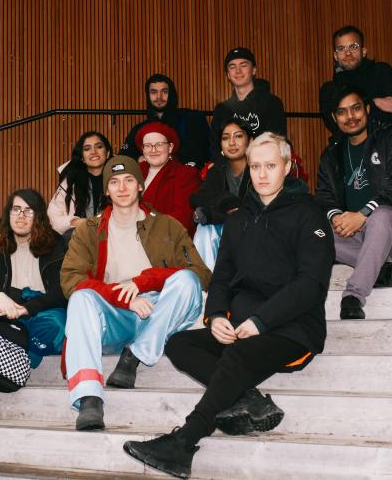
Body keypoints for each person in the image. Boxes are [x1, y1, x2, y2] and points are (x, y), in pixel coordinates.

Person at [123, 133, 335, 479]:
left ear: (287, 167)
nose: (262, 174)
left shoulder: (308, 214)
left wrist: (261, 321)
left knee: (237, 354)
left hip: (292, 327)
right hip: (243, 325)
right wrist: (217, 315)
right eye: (255, 167)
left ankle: (185, 442)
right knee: (178, 343)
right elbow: (221, 278)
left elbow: (311, 285)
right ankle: (249, 399)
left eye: (270, 165)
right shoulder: (239, 217)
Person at [61, 155, 211, 432]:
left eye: (129, 180)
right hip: (116, 313)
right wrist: (124, 297)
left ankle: (135, 355)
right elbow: (71, 280)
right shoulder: (89, 231)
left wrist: (145, 282)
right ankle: (89, 397)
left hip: (160, 312)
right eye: (114, 182)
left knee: (187, 280)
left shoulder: (168, 225)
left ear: (140, 185)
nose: (122, 188)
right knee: (81, 298)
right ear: (106, 190)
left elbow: (202, 275)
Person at [315, 85, 392, 320]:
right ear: (335, 118)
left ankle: (353, 295)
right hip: (354, 234)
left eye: (356, 108)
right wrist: (336, 217)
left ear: (367, 109)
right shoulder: (331, 154)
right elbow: (324, 197)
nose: (351, 117)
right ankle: (380, 269)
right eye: (343, 112)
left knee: (381, 216)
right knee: (312, 231)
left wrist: (363, 213)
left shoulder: (390, 138)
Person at [0, 189, 68, 422]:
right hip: (4, 311)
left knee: (59, 321)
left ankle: (23, 358)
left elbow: (62, 292)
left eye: (29, 210)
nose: (21, 216)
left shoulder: (56, 244)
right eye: (16, 209)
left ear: (38, 216)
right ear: (8, 214)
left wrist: (28, 308)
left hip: (39, 311)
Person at [191, 119, 309, 270]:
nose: (231, 142)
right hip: (228, 231)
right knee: (204, 229)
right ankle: (206, 284)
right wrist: (227, 202)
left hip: (258, 231)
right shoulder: (216, 170)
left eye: (238, 136)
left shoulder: (260, 167)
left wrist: (215, 212)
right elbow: (198, 198)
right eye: (226, 138)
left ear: (250, 141)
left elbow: (253, 208)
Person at [319, 25, 392, 135]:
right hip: (349, 148)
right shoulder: (330, 89)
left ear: (363, 51)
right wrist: (375, 102)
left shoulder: (382, 72)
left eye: (353, 47)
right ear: (336, 56)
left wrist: (351, 113)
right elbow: (335, 125)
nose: (348, 53)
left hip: (386, 145)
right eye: (341, 49)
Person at [120, 73, 211, 168]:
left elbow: (204, 152)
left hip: (187, 177)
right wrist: (140, 159)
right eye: (153, 92)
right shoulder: (140, 129)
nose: (159, 97)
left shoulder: (192, 119)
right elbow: (123, 157)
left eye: (164, 91)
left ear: (171, 94)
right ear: (148, 96)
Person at [210, 47, 286, 157]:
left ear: (254, 70)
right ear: (228, 75)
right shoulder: (222, 109)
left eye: (243, 65)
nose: (238, 71)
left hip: (263, 167)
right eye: (232, 66)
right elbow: (215, 147)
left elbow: (277, 143)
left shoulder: (271, 103)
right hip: (229, 170)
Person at [136, 122, 201, 237]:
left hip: (166, 242)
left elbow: (183, 218)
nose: (153, 150)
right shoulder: (134, 172)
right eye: (148, 145)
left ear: (170, 147)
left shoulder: (185, 174)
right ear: (143, 149)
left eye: (159, 144)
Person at [48, 131, 113, 236]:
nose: (93, 152)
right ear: (82, 157)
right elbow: (52, 216)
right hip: (77, 239)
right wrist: (75, 222)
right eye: (87, 149)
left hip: (111, 238)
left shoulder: (119, 180)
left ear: (108, 153)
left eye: (99, 147)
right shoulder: (69, 183)